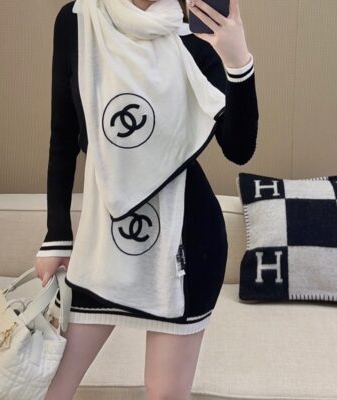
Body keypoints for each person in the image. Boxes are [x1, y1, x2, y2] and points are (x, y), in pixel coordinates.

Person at [35, 0, 259, 399]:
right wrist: (57, 236)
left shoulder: (197, 35)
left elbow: (239, 148)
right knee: (45, 389)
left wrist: (238, 61)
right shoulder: (78, 20)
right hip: (101, 245)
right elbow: (63, 137)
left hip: (185, 246)